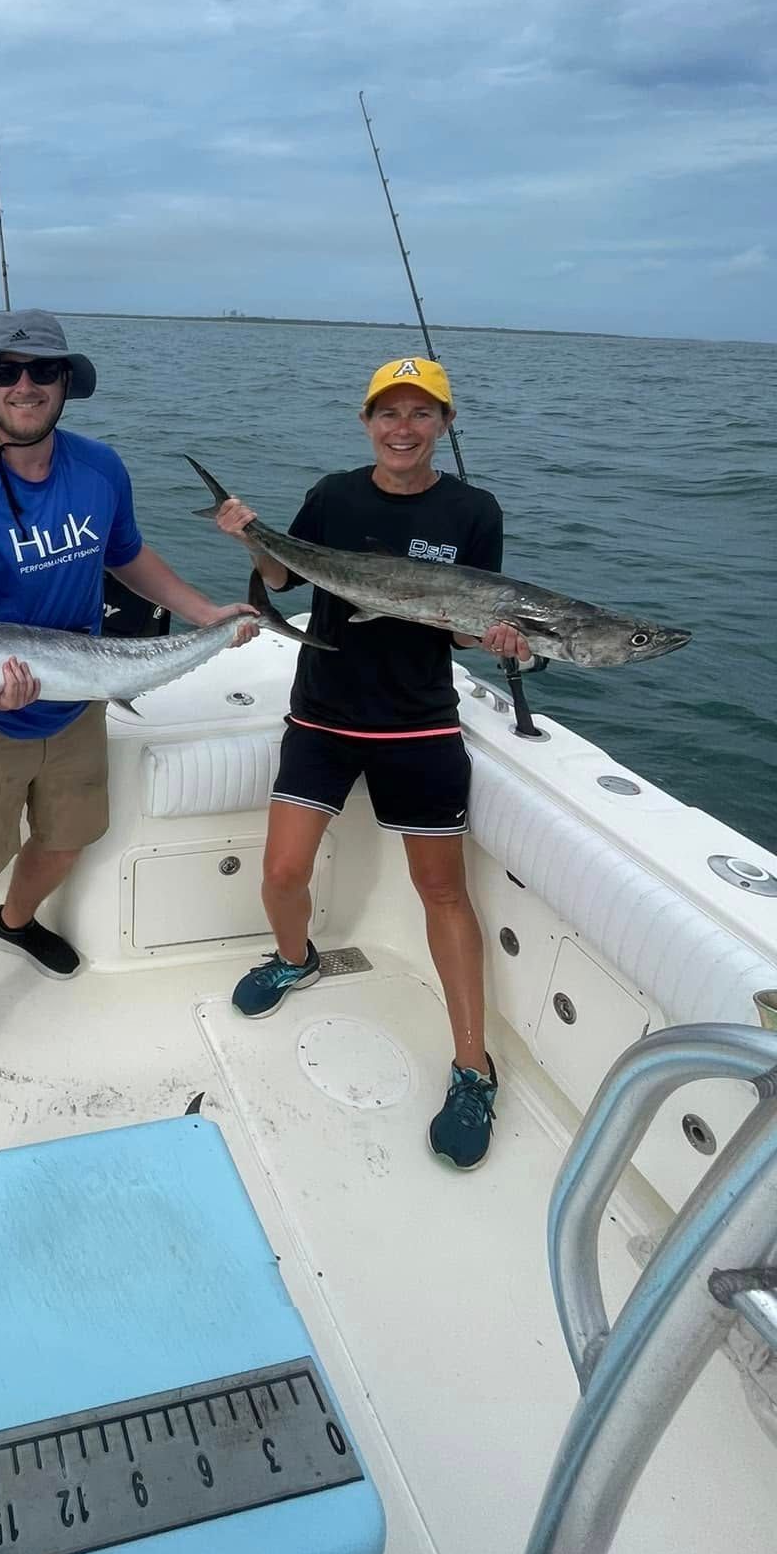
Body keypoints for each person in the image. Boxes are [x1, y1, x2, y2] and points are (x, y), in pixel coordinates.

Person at [0, 309, 258, 1120]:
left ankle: (17, 923)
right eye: (7, 373)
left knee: (67, 839)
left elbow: (127, 556)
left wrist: (205, 613)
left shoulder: (100, 470)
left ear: (66, 385)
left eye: (43, 372)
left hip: (78, 699)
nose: (25, 386)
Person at [212, 356, 532, 1172]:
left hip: (418, 723)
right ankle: (295, 959)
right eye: (388, 413)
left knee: (443, 892)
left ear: (444, 426)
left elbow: (466, 624)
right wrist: (252, 534)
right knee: (283, 873)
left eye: (420, 414)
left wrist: (489, 635)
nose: (402, 427)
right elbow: (280, 579)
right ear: (366, 424)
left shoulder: (474, 509)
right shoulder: (333, 494)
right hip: (323, 709)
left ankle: (473, 1067)